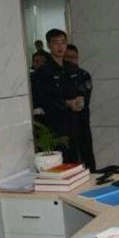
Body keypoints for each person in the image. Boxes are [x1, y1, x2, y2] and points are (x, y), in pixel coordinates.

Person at [32, 29, 84, 163]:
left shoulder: (72, 68)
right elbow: (43, 99)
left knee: (76, 161)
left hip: (74, 122)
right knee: (60, 162)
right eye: (56, 43)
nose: (60, 47)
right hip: (55, 125)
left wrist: (80, 98)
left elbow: (80, 88)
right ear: (48, 45)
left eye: (63, 42)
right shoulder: (43, 72)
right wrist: (66, 103)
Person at [64, 44, 96, 171]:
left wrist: (69, 102)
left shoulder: (84, 75)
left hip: (81, 121)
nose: (70, 60)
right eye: (67, 57)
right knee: (70, 160)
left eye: (73, 57)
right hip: (65, 125)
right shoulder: (60, 75)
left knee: (86, 155)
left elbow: (83, 100)